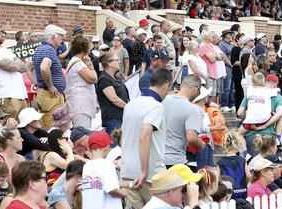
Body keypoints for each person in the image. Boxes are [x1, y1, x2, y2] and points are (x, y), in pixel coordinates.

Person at [120, 68, 172, 209]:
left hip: (129, 171)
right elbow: (145, 135)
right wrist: (144, 171)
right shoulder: (156, 106)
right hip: (150, 174)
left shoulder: (130, 105)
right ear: (167, 86)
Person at [0, 22, 29, 122]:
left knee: (23, 130)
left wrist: (17, 64)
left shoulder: (4, 50)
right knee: (10, 131)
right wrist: (16, 63)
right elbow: (12, 66)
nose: (2, 34)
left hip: (20, 95)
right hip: (8, 96)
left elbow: (23, 67)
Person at [163, 75, 203, 168]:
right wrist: (200, 144)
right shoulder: (192, 108)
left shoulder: (163, 100)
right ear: (196, 89)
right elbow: (191, 138)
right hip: (175, 160)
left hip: (156, 159)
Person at [34, 24, 68, 128]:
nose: (62, 41)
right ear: (54, 37)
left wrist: (37, 83)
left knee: (46, 125)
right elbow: (44, 67)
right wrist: (50, 86)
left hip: (45, 93)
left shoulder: (40, 49)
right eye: (60, 37)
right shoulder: (49, 50)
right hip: (51, 95)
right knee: (52, 127)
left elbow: (29, 67)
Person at [81, 131, 125, 209]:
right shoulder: (107, 164)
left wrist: (130, 184)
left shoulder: (86, 166)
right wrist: (123, 193)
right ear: (106, 147)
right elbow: (111, 189)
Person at [65, 36, 98, 128]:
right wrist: (90, 64)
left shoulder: (74, 61)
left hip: (78, 103)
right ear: (85, 48)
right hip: (81, 104)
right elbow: (93, 79)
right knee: (83, 134)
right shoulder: (78, 63)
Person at [95, 52, 129, 135]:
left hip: (121, 117)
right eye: (117, 60)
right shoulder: (104, 79)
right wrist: (129, 107)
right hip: (113, 119)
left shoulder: (114, 77)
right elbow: (114, 98)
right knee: (115, 146)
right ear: (109, 63)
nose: (119, 62)